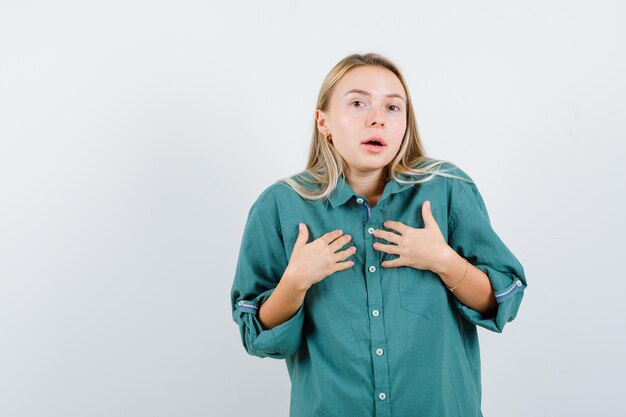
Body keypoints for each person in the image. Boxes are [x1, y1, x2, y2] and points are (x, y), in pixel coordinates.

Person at [230, 52, 527, 417]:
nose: (377, 119)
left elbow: (504, 301)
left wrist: (444, 261)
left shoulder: (449, 190)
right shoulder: (279, 206)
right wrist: (295, 281)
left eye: (392, 108)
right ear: (323, 121)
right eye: (358, 103)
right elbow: (256, 336)